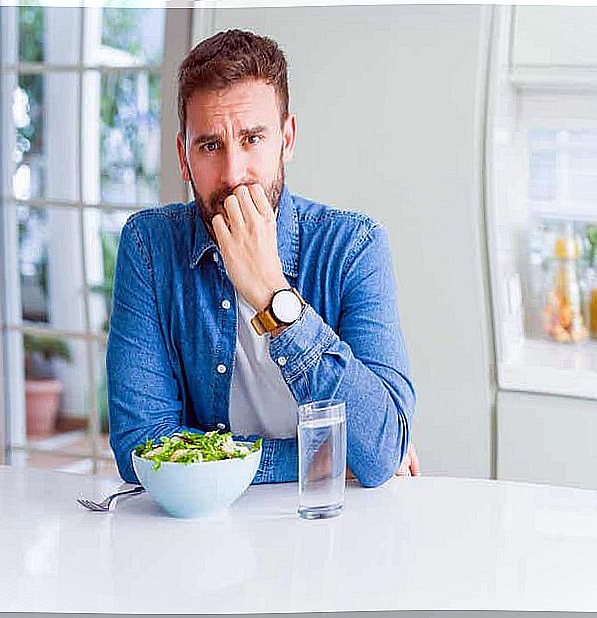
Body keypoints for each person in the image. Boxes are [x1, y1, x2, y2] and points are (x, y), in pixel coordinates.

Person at [107, 29, 419, 488]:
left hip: (336, 531)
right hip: (202, 531)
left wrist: (273, 296)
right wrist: (324, 458)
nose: (233, 174)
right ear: (183, 155)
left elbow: (380, 446)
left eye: (252, 139)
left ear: (286, 139)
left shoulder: (354, 246)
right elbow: (142, 446)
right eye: (211, 146)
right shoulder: (149, 247)